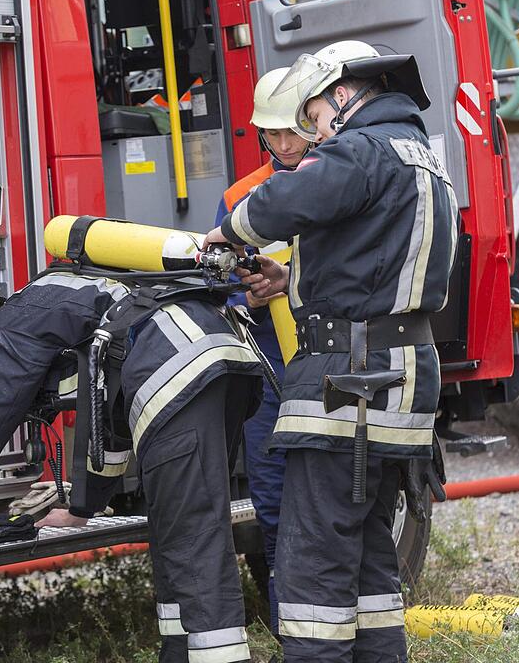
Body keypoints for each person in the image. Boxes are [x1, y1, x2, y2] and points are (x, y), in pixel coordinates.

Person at [203, 40, 459, 663]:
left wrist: (224, 232)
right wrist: (292, 281)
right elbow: (380, 268)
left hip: (349, 387)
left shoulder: (361, 148)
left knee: (312, 568)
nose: (310, 135)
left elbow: (291, 197)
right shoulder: (422, 154)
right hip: (398, 383)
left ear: (342, 95)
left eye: (313, 116)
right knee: (370, 557)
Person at [0, 269, 263, 663]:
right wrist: (81, 510)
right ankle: (178, 653)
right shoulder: (74, 310)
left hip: (179, 372)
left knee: (193, 532)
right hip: (224, 362)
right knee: (175, 523)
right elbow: (108, 432)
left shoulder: (16, 326)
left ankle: (221, 655)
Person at [213, 66, 311, 635]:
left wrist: (289, 280)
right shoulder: (239, 197)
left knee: (337, 499)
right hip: (269, 372)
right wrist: (245, 291)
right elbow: (218, 275)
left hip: (329, 365)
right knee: (273, 504)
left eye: (291, 132)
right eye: (272, 135)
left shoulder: (342, 180)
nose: (283, 145)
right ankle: (290, 628)